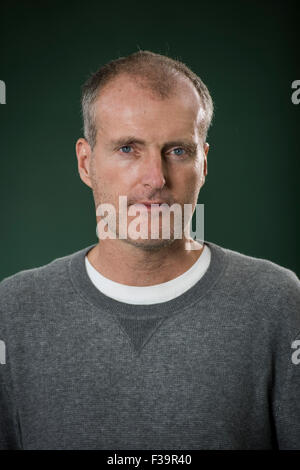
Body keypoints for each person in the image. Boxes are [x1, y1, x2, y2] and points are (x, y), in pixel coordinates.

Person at [0, 50, 299, 450]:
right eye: (128, 149)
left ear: (203, 164)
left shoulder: (278, 302)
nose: (155, 178)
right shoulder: (13, 311)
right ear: (85, 163)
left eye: (178, 151)